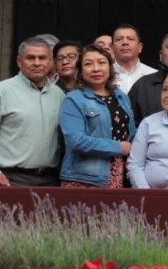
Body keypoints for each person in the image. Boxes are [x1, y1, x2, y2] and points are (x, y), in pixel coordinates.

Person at [58, 44, 135, 188]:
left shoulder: (120, 96)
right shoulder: (73, 99)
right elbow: (76, 141)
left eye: (101, 62)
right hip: (84, 178)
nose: (96, 69)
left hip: (119, 174)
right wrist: (118, 147)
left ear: (110, 68)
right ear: (80, 71)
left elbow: (132, 134)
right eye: (88, 64)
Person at [0, 37, 65, 186]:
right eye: (30, 58)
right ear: (19, 61)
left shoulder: (59, 95)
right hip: (10, 179)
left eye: (42, 58)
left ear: (50, 62)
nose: (37, 63)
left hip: (51, 180)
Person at [111, 24, 157, 93]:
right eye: (119, 39)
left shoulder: (153, 75)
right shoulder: (103, 75)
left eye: (130, 39)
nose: (125, 42)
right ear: (112, 47)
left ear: (140, 47)